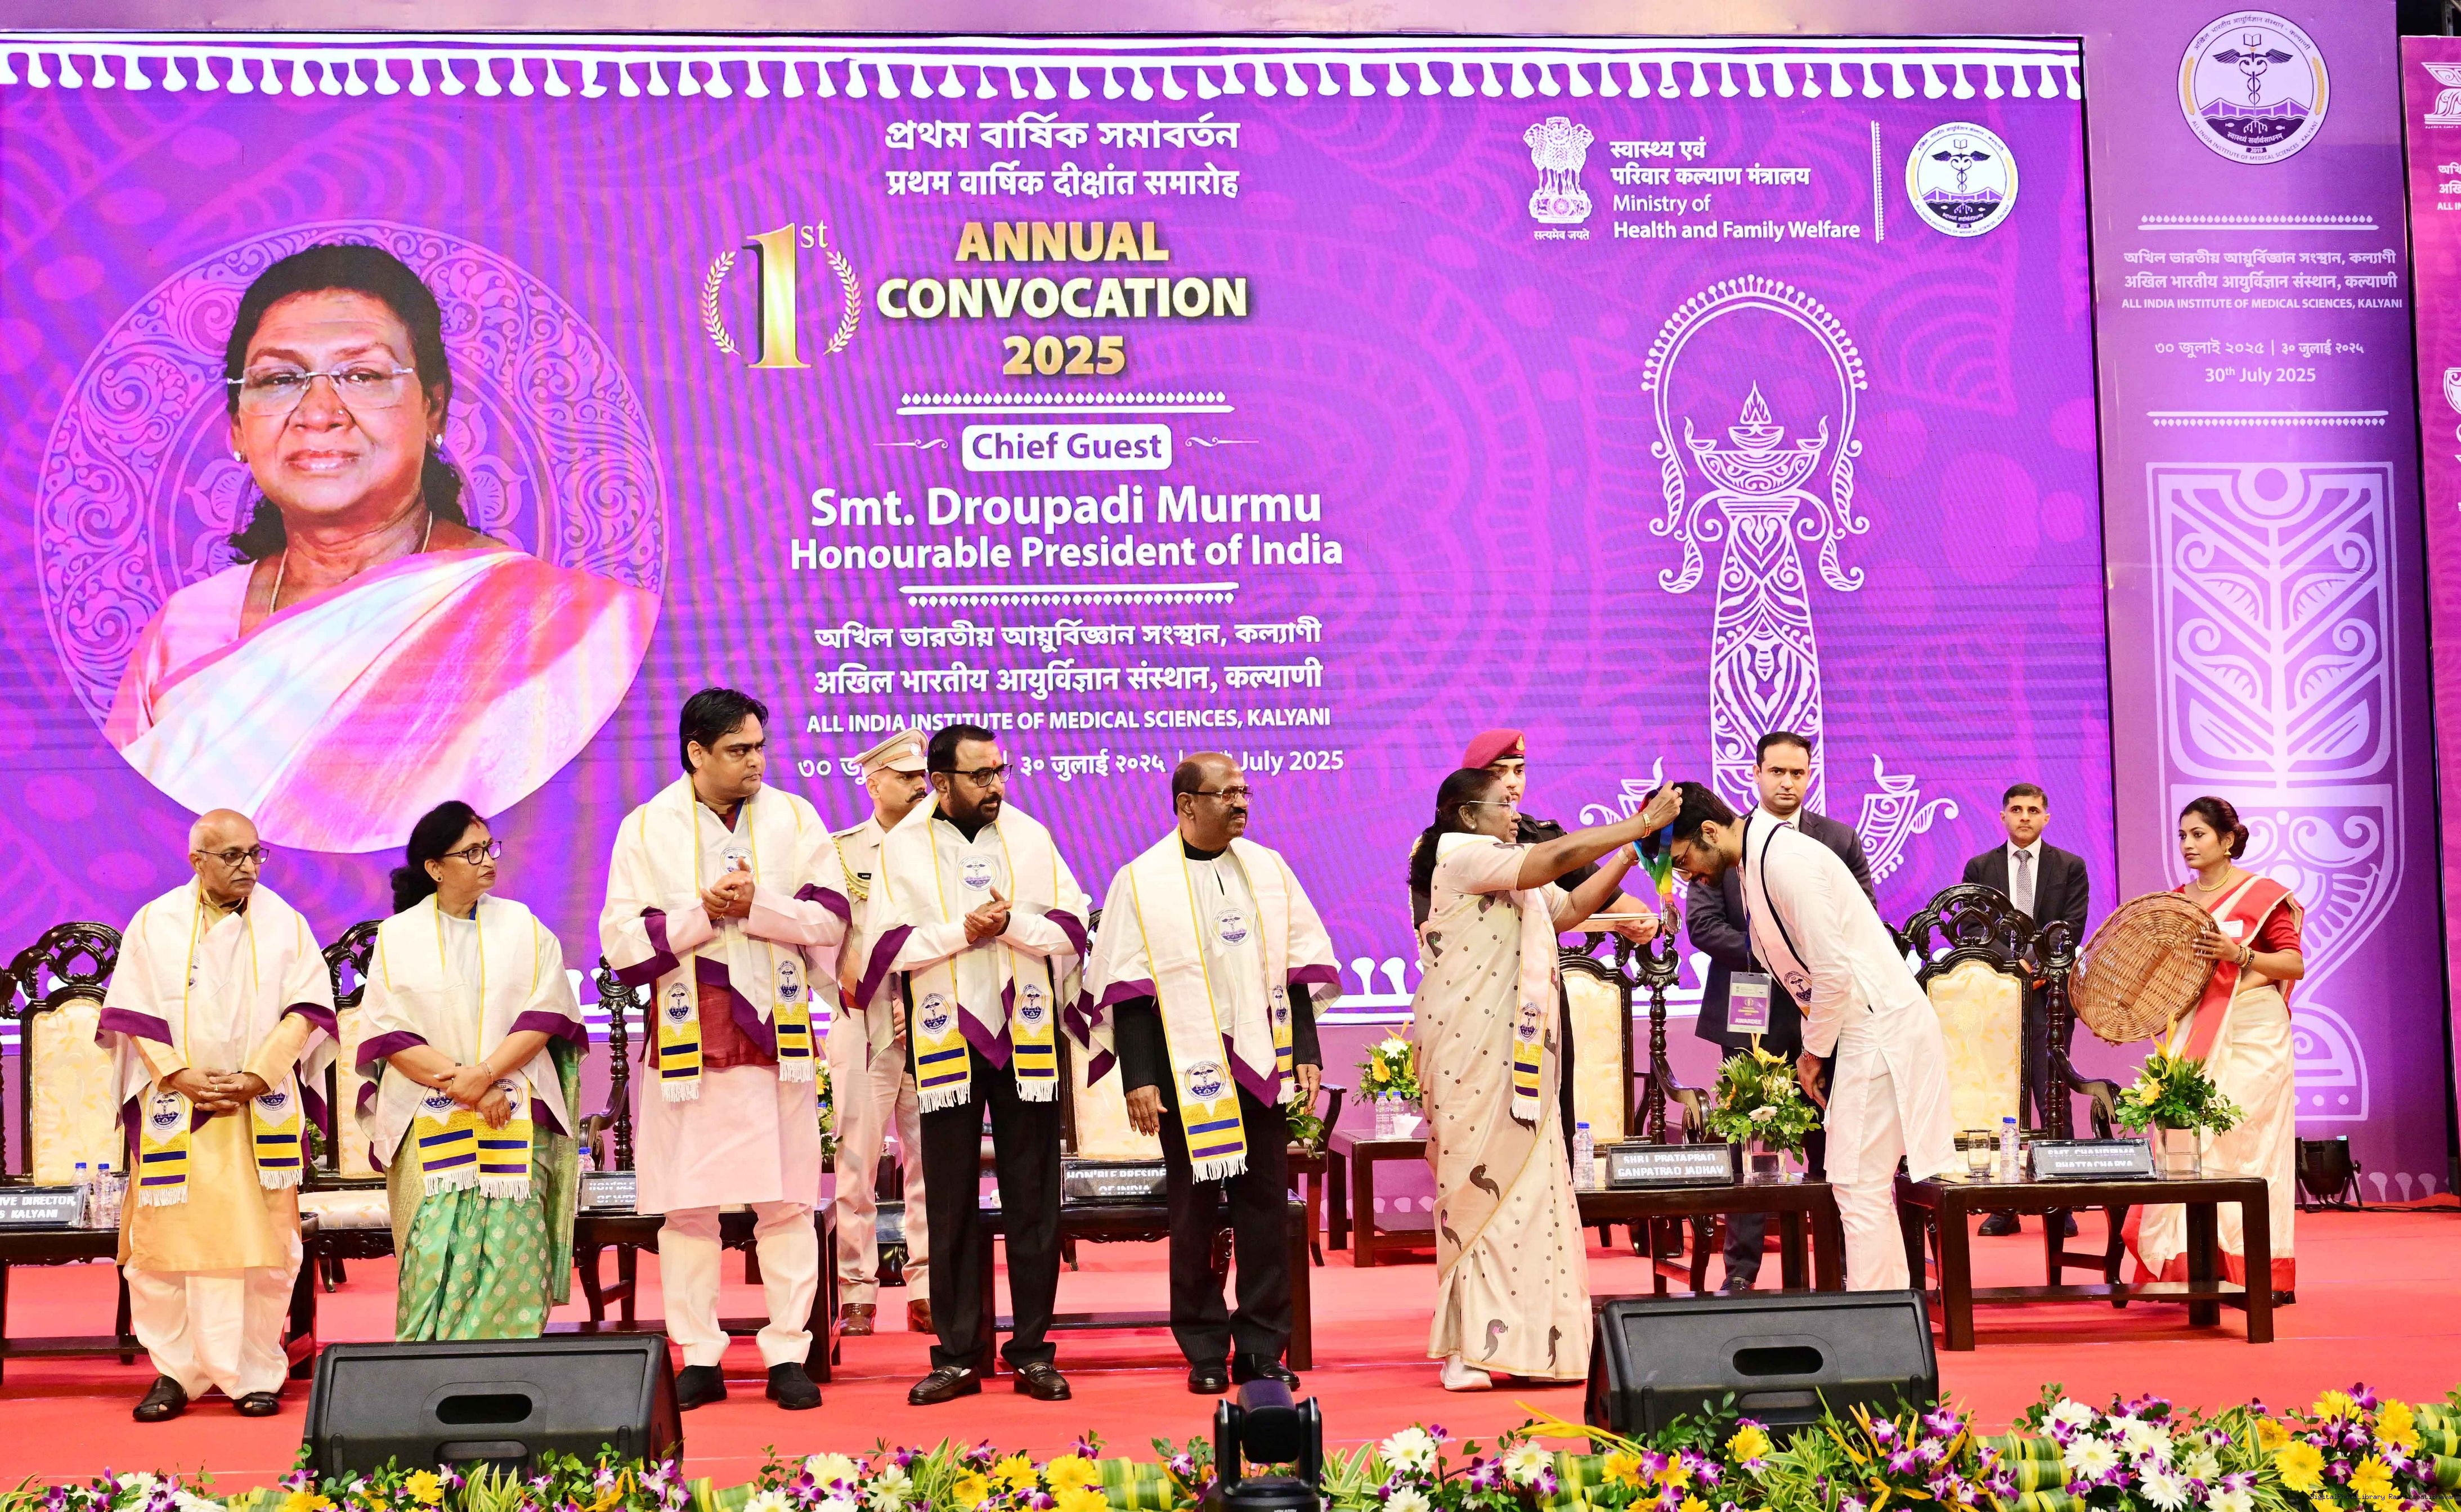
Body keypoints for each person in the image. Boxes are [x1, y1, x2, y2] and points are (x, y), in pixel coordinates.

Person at [104, 243, 656, 853]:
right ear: (237, 426)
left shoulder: (573, 623)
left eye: (362, 375)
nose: (319, 413)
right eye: (280, 379)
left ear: (434, 408)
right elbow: (130, 840)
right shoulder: (183, 631)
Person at [600, 688, 840, 1412]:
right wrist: (703, 912)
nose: (755, 761)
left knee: (786, 1201)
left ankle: (787, 1351)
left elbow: (831, 918)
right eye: (738, 750)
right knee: (688, 1208)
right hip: (690, 1042)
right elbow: (621, 942)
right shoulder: (647, 827)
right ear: (696, 752)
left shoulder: (795, 816)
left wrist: (756, 905)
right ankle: (698, 1354)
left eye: (759, 746)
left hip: (776, 1036)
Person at [1409, 767, 1679, 1392]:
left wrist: (1632, 854)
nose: (1515, 813)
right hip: (1470, 1055)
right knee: (1479, 1196)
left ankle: (1538, 1347)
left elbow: (1573, 907)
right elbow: (1550, 859)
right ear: (1466, 814)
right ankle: (1467, 1351)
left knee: (1534, 1198)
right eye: (1502, 804)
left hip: (1523, 1058)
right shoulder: (1461, 855)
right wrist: (1638, 824)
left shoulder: (1513, 877)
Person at [1086, 752, 1338, 1396]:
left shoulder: (1269, 869)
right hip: (1183, 1073)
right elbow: (1128, 988)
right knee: (1193, 1215)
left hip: (1261, 1066)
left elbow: (1297, 967)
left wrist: (1304, 1048)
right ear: (1185, 804)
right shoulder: (1140, 881)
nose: (1240, 802)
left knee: (1264, 1212)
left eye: (1244, 790)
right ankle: (1202, 1345)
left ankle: (1260, 1347)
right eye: (1225, 792)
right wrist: (1138, 1075)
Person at [863, 724, 1091, 1406]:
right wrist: (961, 931)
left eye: (999, 771)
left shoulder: (1029, 835)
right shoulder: (903, 847)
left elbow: (1071, 928)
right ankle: (959, 1355)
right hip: (946, 1038)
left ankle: (1032, 1351)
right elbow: (888, 946)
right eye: (980, 775)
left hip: (1025, 1036)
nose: (995, 785)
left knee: (1033, 1201)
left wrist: (1009, 925)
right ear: (939, 782)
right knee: (950, 1202)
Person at [1659, 780, 1955, 1291]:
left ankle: (1880, 1321)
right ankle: (1887, 1314)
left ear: (1709, 830)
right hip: (1857, 1027)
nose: (1689, 877)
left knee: (1857, 1186)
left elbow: (1832, 971)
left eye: (1684, 861)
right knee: (1859, 1187)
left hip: (1876, 1027)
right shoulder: (1754, 862)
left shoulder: (1784, 860)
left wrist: (1813, 1052)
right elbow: (1799, 975)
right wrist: (1811, 1046)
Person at [95, 810, 337, 1421]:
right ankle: (175, 1372)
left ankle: (254, 1370)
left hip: (255, 1108)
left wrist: (258, 1075)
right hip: (178, 1108)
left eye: (256, 853)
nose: (249, 866)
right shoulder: (155, 922)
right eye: (232, 855)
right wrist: (177, 1073)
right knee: (165, 1251)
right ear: (196, 860)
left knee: (260, 1249)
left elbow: (307, 1008)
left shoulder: (286, 923)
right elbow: (133, 1013)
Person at [357, 802, 586, 1340]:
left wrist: (486, 1074)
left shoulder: (524, 926)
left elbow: (546, 1015)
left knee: (512, 1250)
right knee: (432, 1250)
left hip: (514, 1108)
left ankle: (509, 1362)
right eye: (472, 852)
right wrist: (470, 1086)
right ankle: (430, 1367)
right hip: (428, 1110)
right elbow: (389, 1034)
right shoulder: (397, 936)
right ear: (435, 867)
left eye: (489, 847)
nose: (488, 861)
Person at [1409, 729, 1659, 1163]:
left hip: (1536, 1005)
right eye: (1498, 775)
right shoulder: (1449, 850)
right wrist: (1638, 825)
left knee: (1551, 1133)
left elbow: (1575, 907)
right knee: (1483, 1148)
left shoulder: (1533, 836)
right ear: (1468, 802)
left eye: (1519, 772)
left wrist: (1626, 865)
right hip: (1477, 1013)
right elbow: (1433, 931)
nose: (1512, 785)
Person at [1687, 730, 1871, 1290]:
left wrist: (1811, 961)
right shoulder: (1724, 840)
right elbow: (1702, 925)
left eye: (1797, 772)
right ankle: (1741, 1272)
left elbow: (1861, 914)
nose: (1787, 782)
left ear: (1809, 775)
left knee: (1829, 1139)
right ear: (1756, 773)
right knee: (1751, 1143)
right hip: (1749, 1013)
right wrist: (1775, 952)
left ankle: (1838, 1268)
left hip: (1822, 1014)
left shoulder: (1836, 839)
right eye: (1777, 772)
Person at [2124, 796, 2302, 1305]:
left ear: (2227, 840)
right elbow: (2162, 976)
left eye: (2198, 834)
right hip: (2195, 1033)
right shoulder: (2175, 904)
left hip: (2253, 1035)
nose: (2187, 844)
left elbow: (2292, 964)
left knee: (2250, 1147)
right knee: (2191, 1145)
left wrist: (2238, 954)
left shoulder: (2262, 895)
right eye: (2182, 835)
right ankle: (2196, 1265)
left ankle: (2259, 1270)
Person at [826, 728, 934, 1339]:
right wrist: (867, 991)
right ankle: (856, 1289)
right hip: (863, 1020)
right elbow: (826, 939)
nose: (920, 786)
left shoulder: (942, 847)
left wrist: (916, 1000)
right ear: (873, 783)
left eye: (923, 777)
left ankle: (926, 1288)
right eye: (906, 777)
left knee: (931, 1164)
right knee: (856, 1161)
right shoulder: (842, 852)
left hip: (934, 1022)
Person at [1960, 782, 2091, 1237]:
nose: (2024, 816)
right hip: (1995, 1000)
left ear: (2045, 817)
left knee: (2052, 1096)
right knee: (2000, 1099)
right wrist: (2008, 965)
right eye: (2015, 809)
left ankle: (2061, 1201)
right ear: (2002, 816)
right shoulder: (1980, 867)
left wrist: (2031, 962)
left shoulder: (2069, 866)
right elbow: (1972, 924)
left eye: (2033, 809)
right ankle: (2004, 1204)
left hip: (2047, 999)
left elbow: (2070, 926)